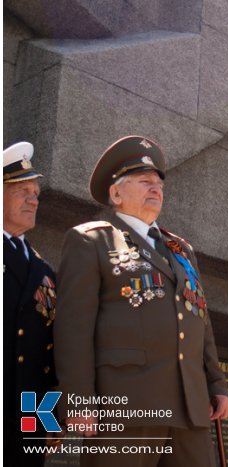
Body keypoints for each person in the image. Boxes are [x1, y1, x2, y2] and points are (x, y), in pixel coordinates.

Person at [54, 136, 228, 467]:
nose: (156, 189)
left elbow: (199, 321)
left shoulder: (181, 250)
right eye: (145, 181)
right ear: (116, 193)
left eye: (159, 184)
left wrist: (216, 383)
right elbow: (73, 329)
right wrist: (78, 401)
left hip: (189, 405)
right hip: (127, 403)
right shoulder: (91, 240)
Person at [4, 142, 58, 467]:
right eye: (22, 190)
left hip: (28, 421)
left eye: (36, 192)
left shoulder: (45, 272)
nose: (33, 199)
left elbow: (47, 354)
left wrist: (48, 419)